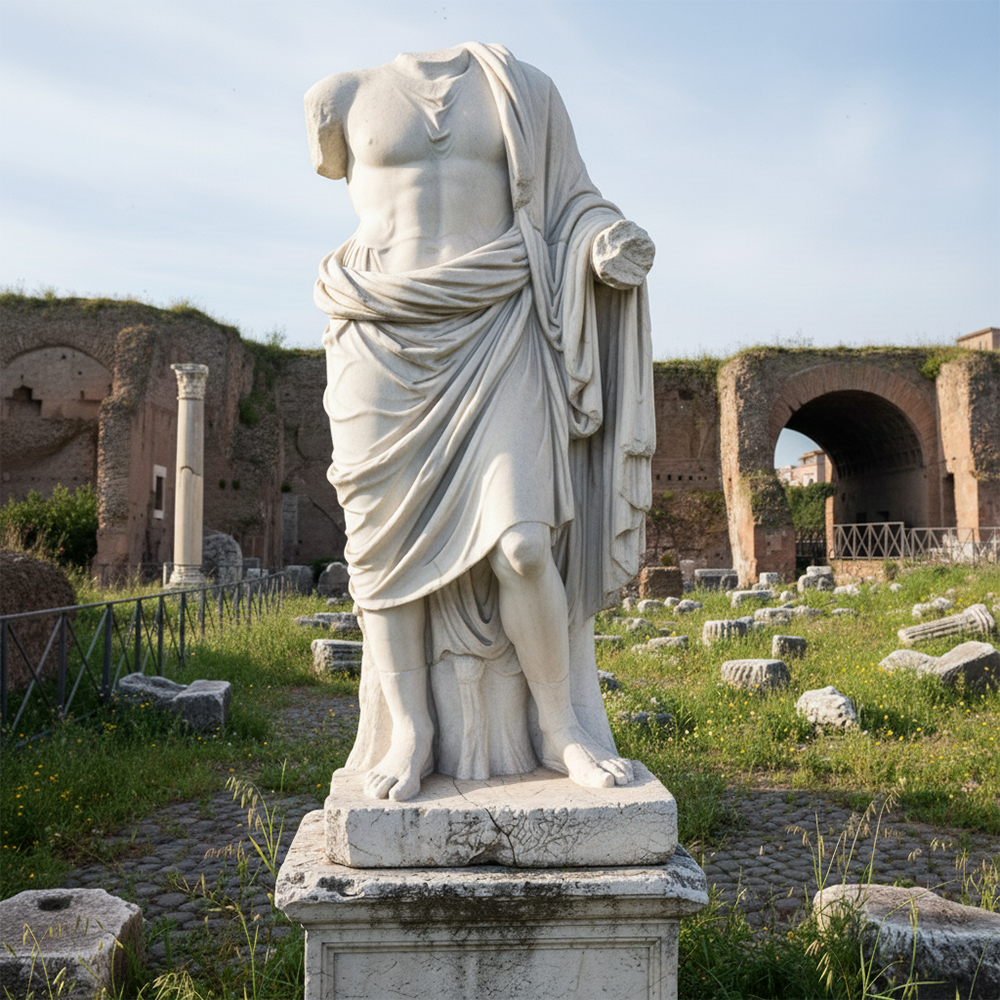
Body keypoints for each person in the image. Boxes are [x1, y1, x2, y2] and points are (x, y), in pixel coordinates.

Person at [306, 42, 655, 802]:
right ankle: (411, 731)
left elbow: (572, 202)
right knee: (382, 549)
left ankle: (561, 726)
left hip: (500, 321)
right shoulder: (339, 94)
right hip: (380, 329)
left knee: (525, 546)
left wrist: (603, 242)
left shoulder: (525, 88)